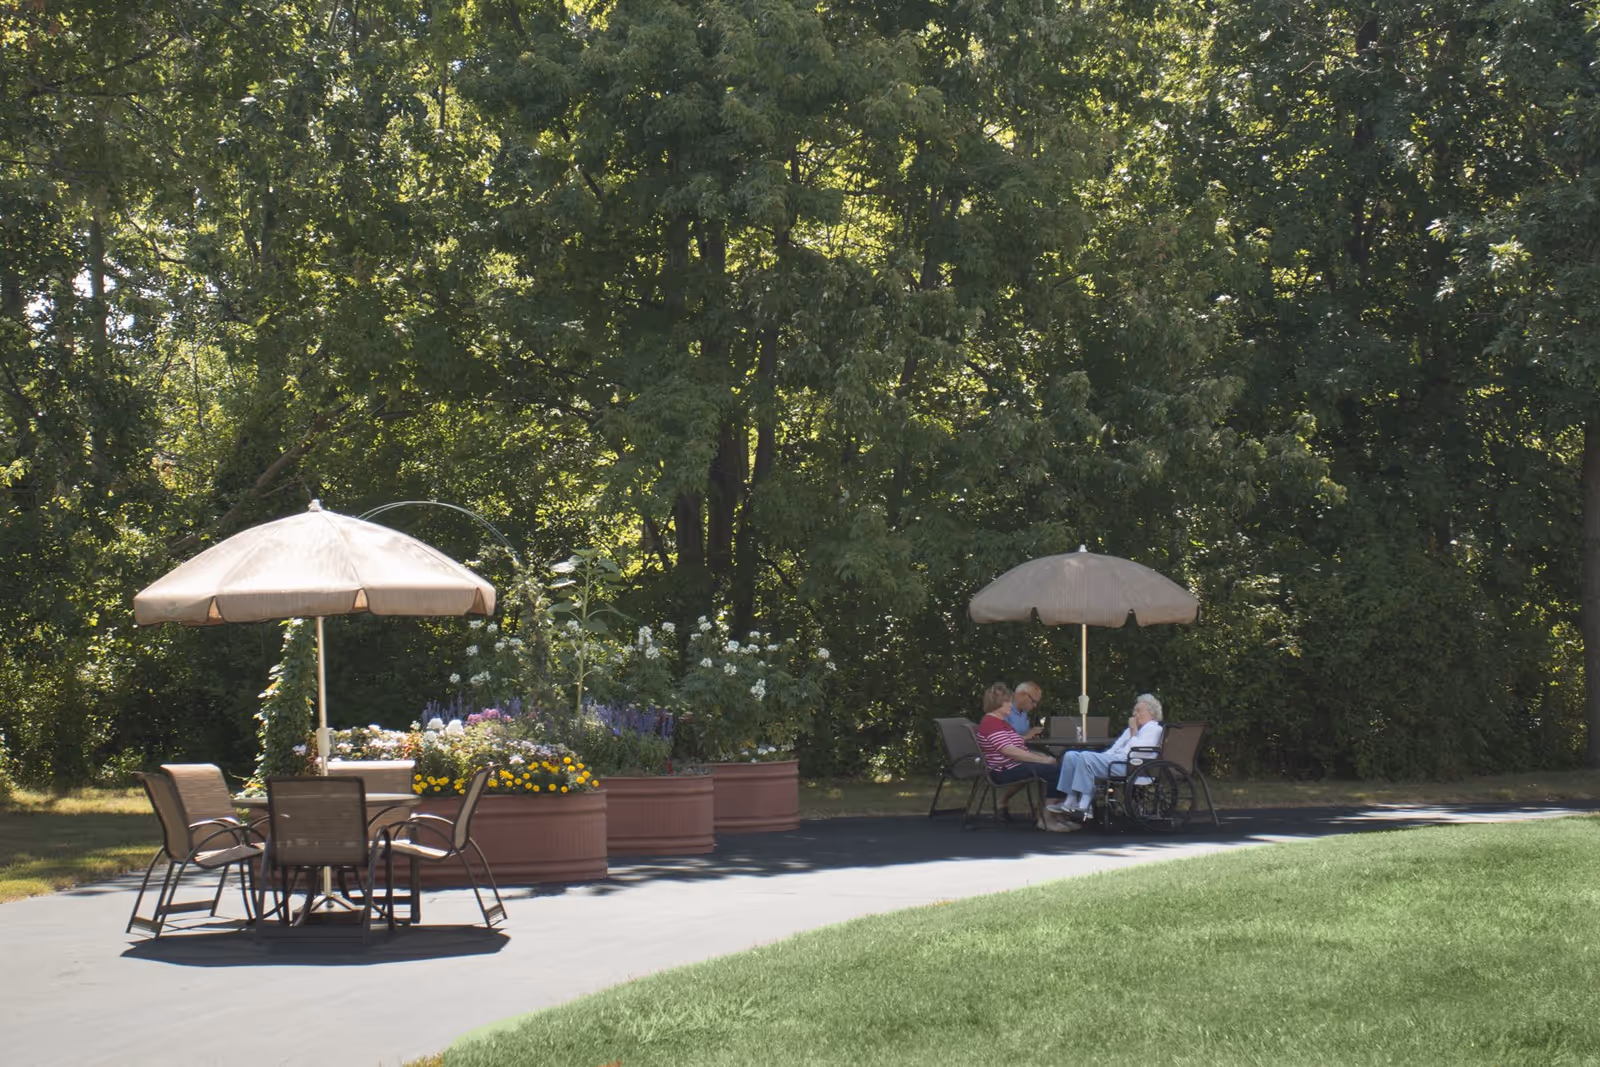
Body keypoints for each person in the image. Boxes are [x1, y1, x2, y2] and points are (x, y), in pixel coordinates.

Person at [975, 682, 1077, 832]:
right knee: (1053, 771)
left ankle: (1057, 816)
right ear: (997, 704)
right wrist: (1042, 759)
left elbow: (1018, 746)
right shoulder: (991, 723)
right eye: (1008, 702)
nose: (1011, 705)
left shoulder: (1000, 722)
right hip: (1002, 771)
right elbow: (1009, 751)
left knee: (1059, 766)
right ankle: (1046, 819)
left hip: (1011, 765)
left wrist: (1040, 756)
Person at [1047, 693, 1165, 821]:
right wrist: (1100, 758)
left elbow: (1137, 752)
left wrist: (1134, 732)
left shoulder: (1154, 729)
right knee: (1070, 756)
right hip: (1116, 761)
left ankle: (1085, 803)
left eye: (1139, 711)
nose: (1135, 714)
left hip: (1133, 766)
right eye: (1134, 710)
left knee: (1086, 756)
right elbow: (1115, 748)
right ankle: (1071, 799)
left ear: (1151, 714)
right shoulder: (1131, 730)